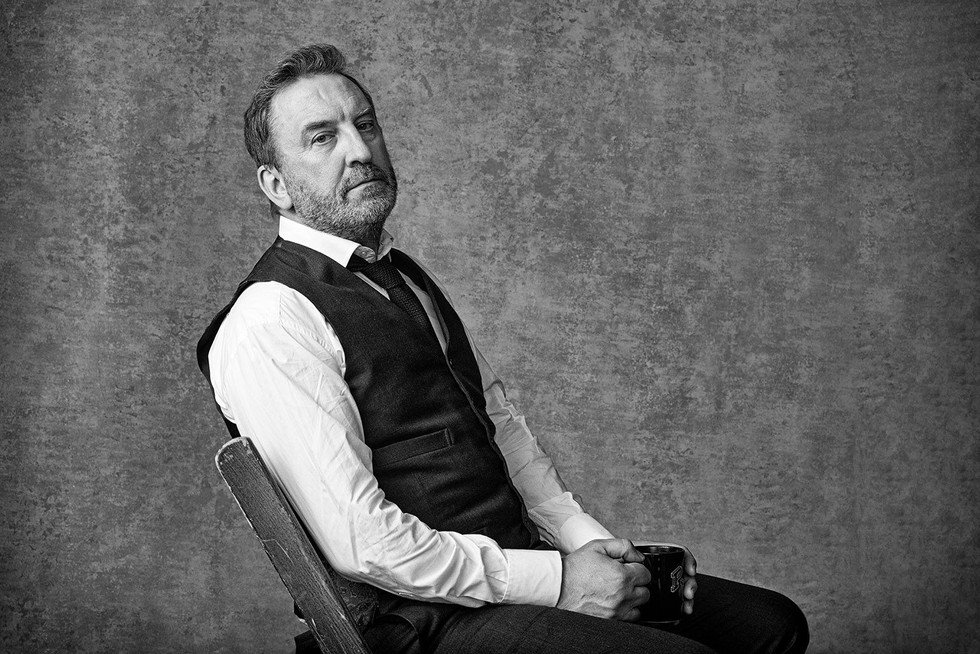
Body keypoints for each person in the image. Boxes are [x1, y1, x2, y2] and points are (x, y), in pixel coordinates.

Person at [197, 43, 808, 654]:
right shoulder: (271, 319)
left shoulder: (404, 279)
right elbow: (365, 545)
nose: (359, 150)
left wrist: (593, 549)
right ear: (277, 185)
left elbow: (499, 430)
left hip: (517, 572)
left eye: (366, 124)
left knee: (772, 626)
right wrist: (560, 582)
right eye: (322, 138)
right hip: (422, 621)